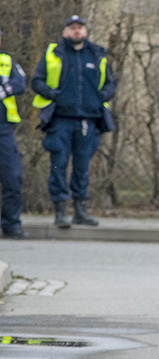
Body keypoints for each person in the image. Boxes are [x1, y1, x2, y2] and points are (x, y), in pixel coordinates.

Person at [31, 14, 116, 228]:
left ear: (85, 31)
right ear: (65, 31)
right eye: (72, 27)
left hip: (89, 120)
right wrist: (54, 95)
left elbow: (111, 84)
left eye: (80, 27)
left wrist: (100, 97)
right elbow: (37, 81)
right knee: (59, 164)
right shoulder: (54, 53)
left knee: (82, 166)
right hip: (60, 119)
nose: (76, 31)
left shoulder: (97, 54)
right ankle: (60, 211)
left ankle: (80, 210)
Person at [0, 24, 28, 239]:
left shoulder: (7, 61)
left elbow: (21, 82)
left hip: (3, 129)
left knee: (13, 176)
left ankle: (11, 224)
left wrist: (5, 89)